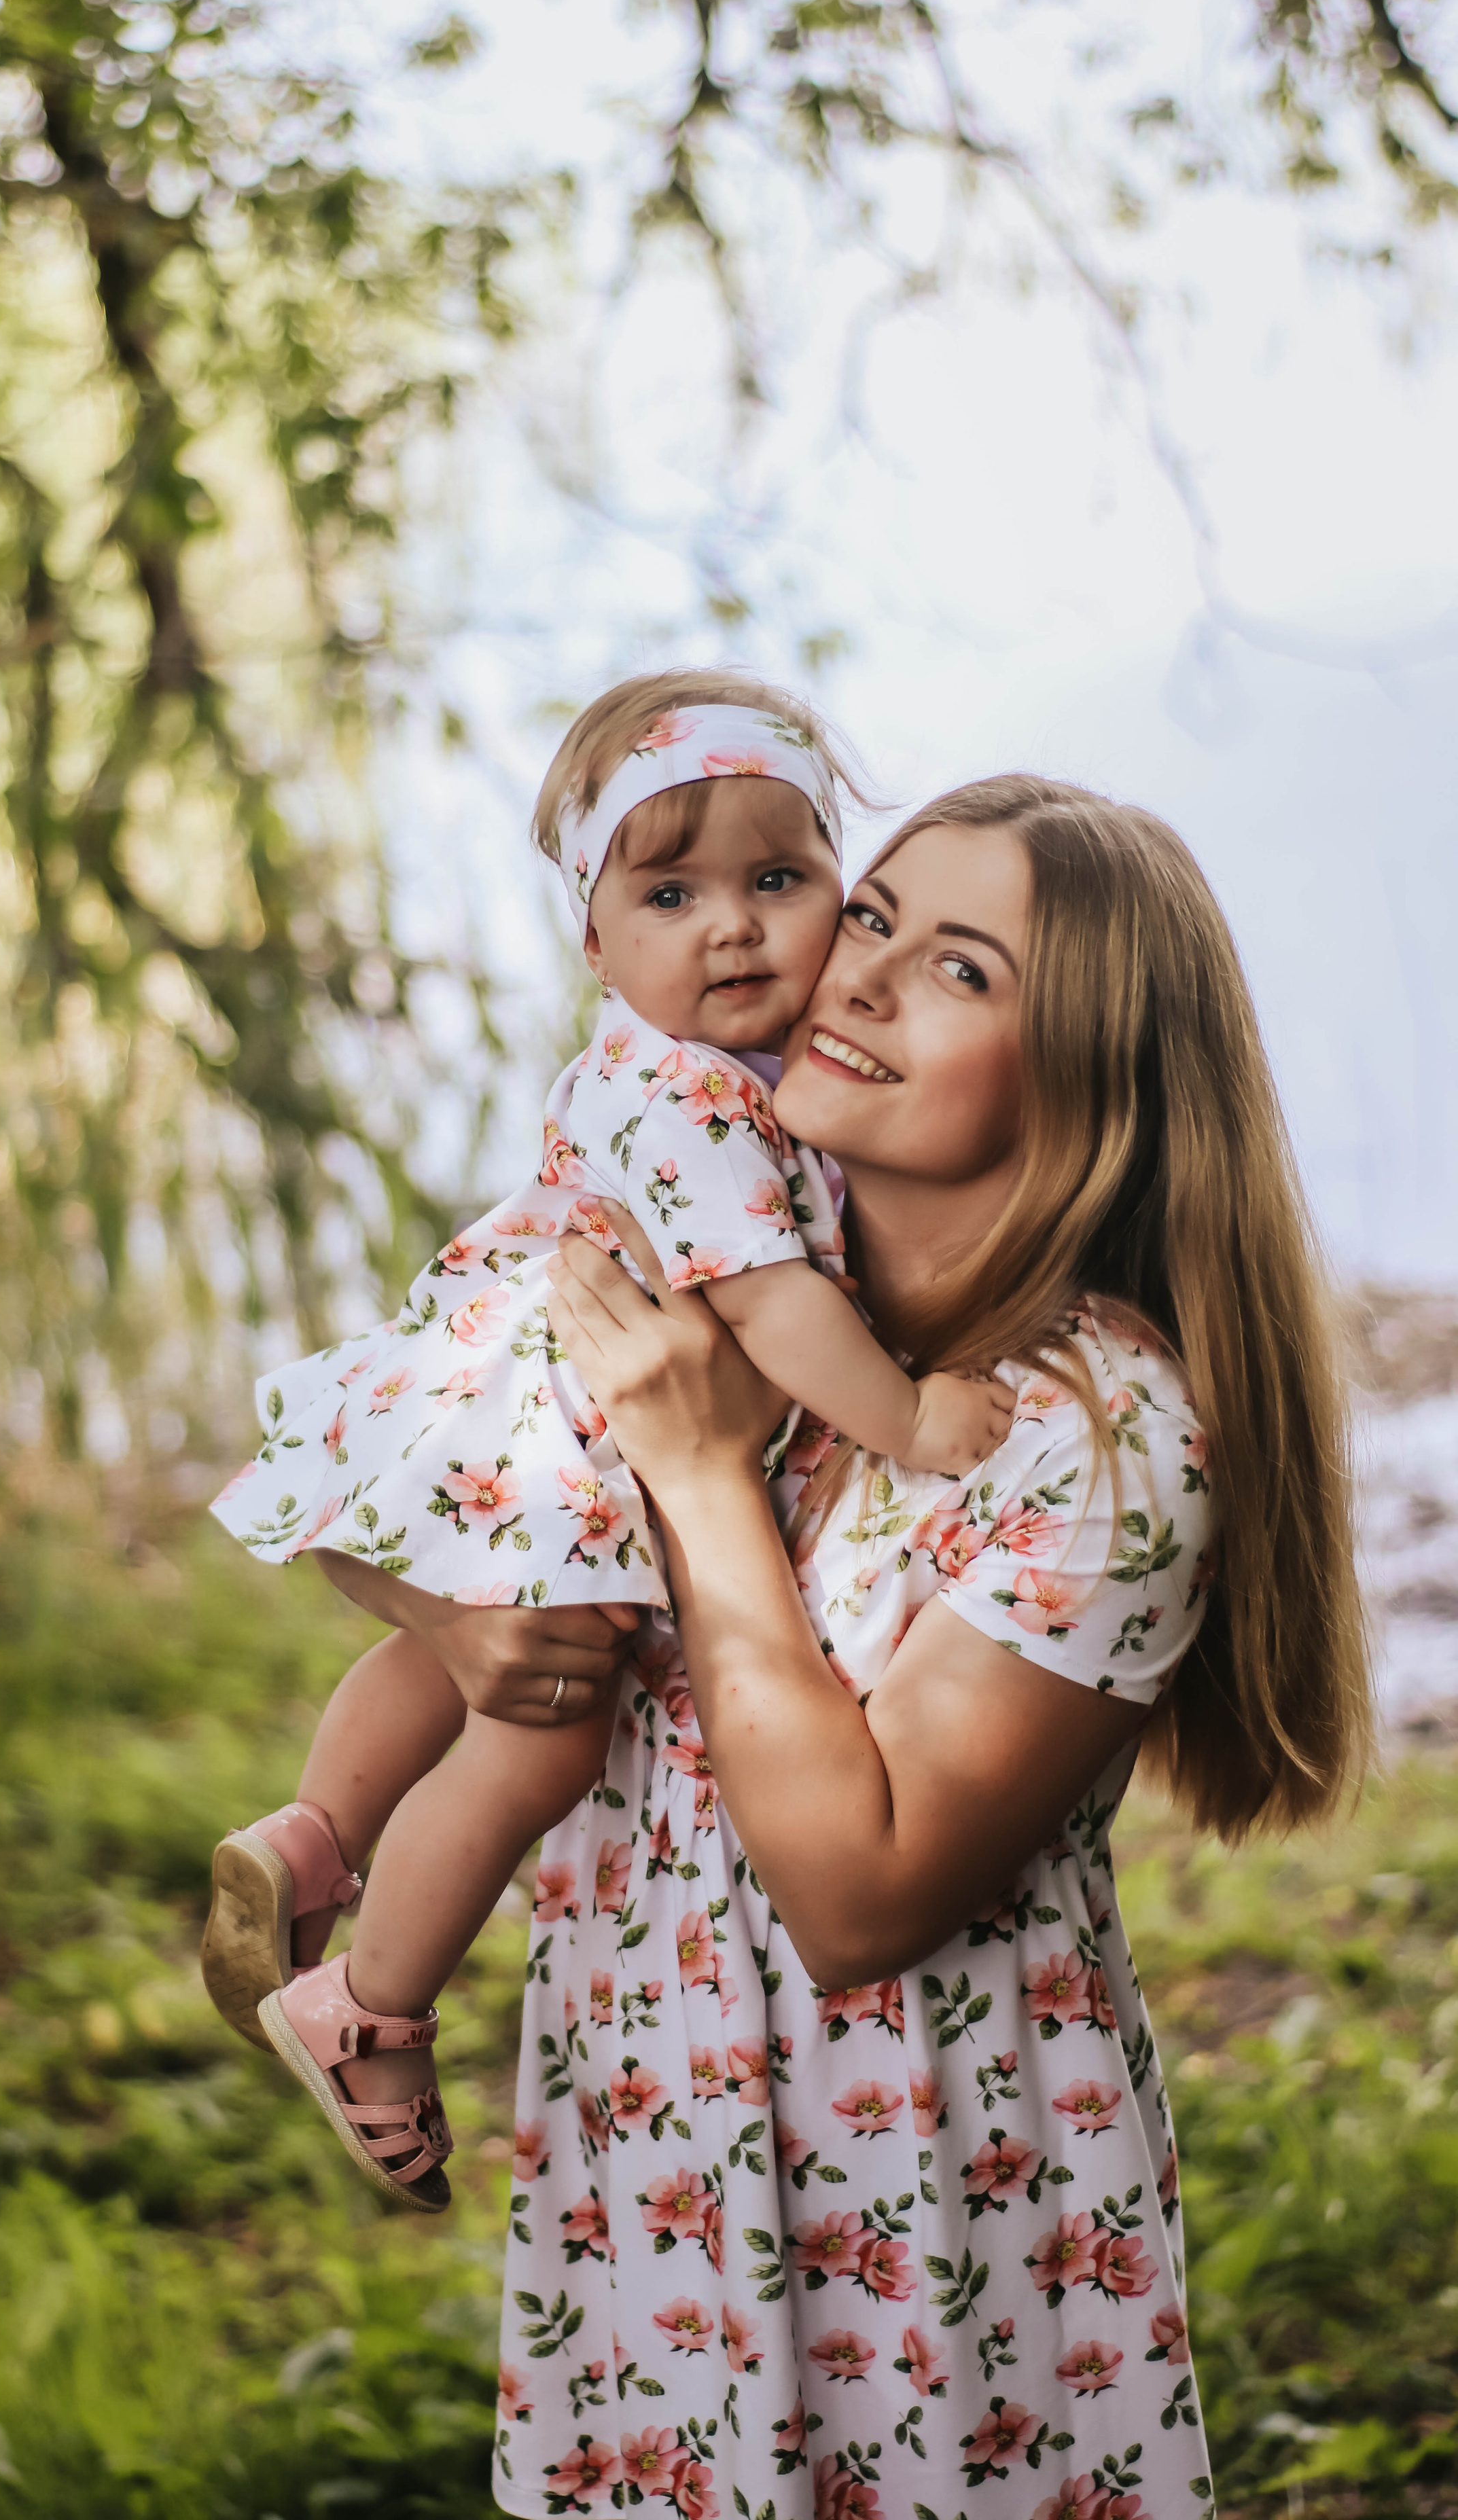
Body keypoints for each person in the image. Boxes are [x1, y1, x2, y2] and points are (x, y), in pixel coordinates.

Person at [442, 775, 1364, 2516]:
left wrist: (699, 1480)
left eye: (959, 969)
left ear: (1087, 1079)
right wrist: (455, 1628)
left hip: (915, 2201)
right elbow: (386, 1469)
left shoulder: (1094, 1436)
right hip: (655, 2144)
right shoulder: (755, 1299)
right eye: (869, 914)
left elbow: (858, 1897)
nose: (854, 974)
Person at [201, 672, 1013, 2211]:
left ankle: (314, 1839)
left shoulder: (671, 1070)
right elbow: (770, 1302)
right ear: (595, 940)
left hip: (506, 1412)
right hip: (561, 1421)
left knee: (449, 1658)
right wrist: (910, 1416)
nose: (734, 929)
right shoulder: (698, 1101)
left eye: (780, 882)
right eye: (671, 895)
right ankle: (366, 2006)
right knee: (546, 1732)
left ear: (840, 889)